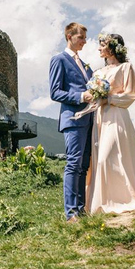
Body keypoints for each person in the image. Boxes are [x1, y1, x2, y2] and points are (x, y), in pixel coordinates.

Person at [85, 33, 135, 215]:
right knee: (101, 157)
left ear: (112, 48)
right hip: (100, 117)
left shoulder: (126, 68)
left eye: (102, 45)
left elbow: (131, 94)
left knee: (108, 157)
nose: (99, 48)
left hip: (117, 115)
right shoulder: (97, 73)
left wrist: (109, 98)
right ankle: (105, 199)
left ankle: (123, 198)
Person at [49, 22, 94, 222]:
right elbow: (55, 92)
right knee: (73, 164)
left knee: (84, 166)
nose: (84, 41)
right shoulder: (59, 59)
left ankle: (81, 209)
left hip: (90, 119)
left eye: (85, 38)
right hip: (73, 119)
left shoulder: (86, 65)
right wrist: (80, 96)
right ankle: (71, 213)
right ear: (69, 36)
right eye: (81, 38)